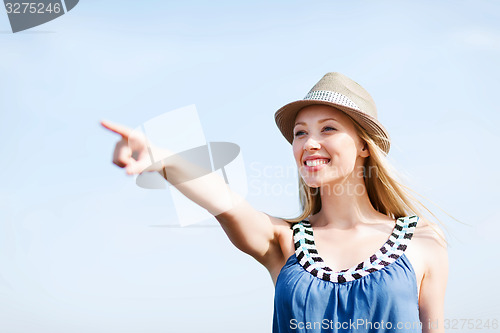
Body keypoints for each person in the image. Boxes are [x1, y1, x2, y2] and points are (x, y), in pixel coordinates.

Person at [101, 72, 448, 333]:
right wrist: (164, 159)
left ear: (363, 145)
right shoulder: (285, 242)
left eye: (328, 129)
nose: (309, 143)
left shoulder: (423, 240)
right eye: (300, 132)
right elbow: (226, 201)